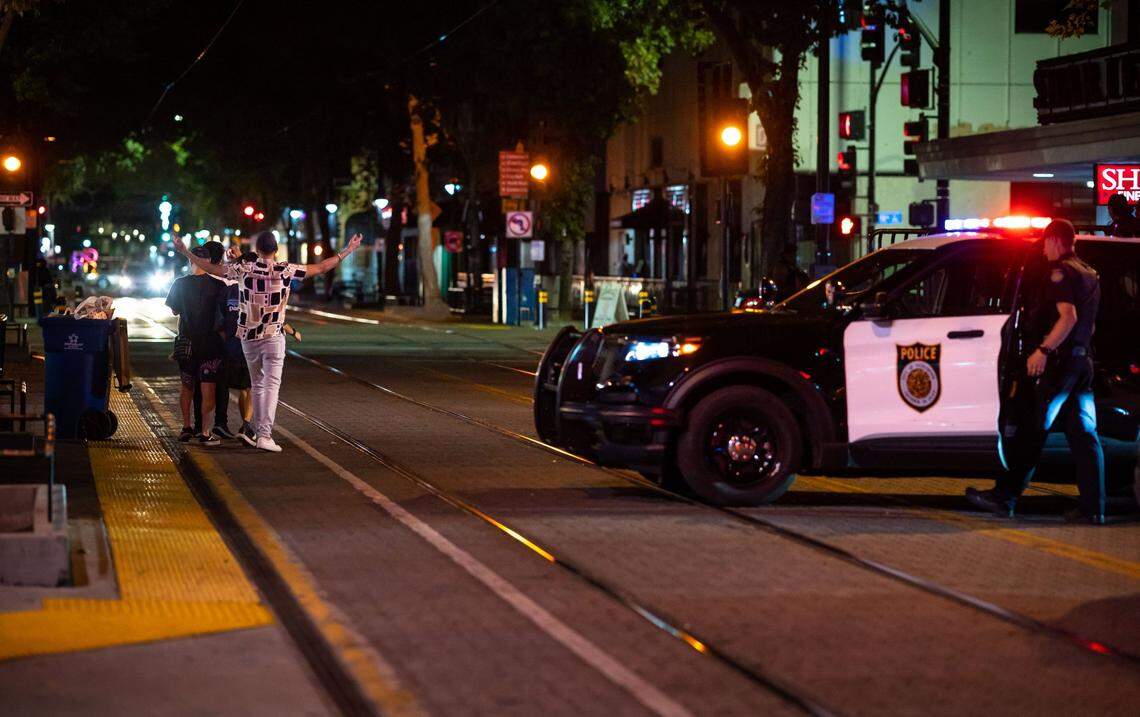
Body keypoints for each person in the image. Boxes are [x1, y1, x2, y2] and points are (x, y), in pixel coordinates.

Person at [966, 219, 1106, 524]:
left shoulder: (1062, 272)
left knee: (1032, 429)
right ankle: (1094, 509)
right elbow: (1088, 324)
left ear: (1055, 240)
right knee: (1085, 436)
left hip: (1062, 366)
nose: (1043, 250)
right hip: (1082, 364)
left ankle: (1005, 497)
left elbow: (1068, 317)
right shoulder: (1089, 272)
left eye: (1044, 243)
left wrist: (1043, 350)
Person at [175, 230, 362, 452]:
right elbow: (321, 267)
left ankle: (256, 430)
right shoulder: (285, 269)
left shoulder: (244, 269)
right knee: (271, 385)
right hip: (273, 337)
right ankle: (264, 435)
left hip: (249, 338)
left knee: (258, 384)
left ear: (257, 249)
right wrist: (348, 250)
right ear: (275, 250)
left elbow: (211, 268)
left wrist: (185, 251)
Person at [165, 241, 227, 446]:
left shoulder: (179, 284)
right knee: (208, 389)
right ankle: (206, 431)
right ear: (208, 261)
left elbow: (175, 311)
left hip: (186, 342)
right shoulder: (218, 286)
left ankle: (186, 426)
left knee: (187, 386)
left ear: (191, 261)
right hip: (210, 343)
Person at [195, 244, 255, 442]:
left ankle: (204, 427)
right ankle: (229, 425)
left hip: (226, 345)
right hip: (233, 346)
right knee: (239, 387)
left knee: (219, 386)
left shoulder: (227, 287)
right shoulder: (228, 288)